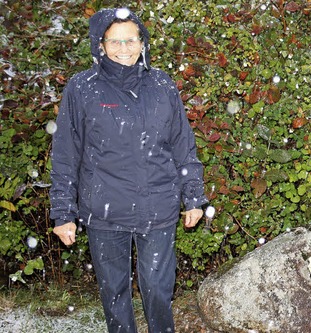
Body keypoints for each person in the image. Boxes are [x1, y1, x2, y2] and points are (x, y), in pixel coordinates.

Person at [49, 7, 208, 333]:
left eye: (131, 40)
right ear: (100, 44)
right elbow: (66, 154)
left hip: (158, 207)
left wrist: (193, 196)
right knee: (114, 292)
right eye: (115, 42)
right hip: (104, 211)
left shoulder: (161, 84)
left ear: (142, 42)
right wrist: (63, 212)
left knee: (158, 291)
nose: (124, 49)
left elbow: (183, 145)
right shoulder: (82, 89)